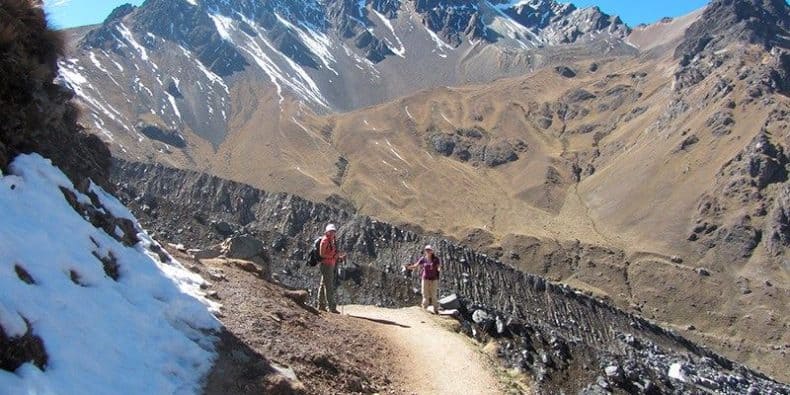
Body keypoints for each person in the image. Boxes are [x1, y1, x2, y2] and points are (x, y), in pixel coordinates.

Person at [405, 245, 441, 314]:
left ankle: (435, 309)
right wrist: (408, 267)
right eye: (426, 250)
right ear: (425, 251)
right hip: (425, 279)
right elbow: (416, 266)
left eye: (429, 250)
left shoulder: (436, 259)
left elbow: (438, 267)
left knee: (433, 295)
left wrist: (439, 269)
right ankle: (424, 309)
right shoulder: (423, 259)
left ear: (432, 251)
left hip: (434, 279)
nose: (428, 251)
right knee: (425, 294)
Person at [317, 223, 345, 313]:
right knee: (329, 286)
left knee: (323, 284)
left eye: (334, 231)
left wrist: (339, 257)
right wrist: (334, 255)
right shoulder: (325, 241)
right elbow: (322, 254)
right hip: (326, 265)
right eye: (331, 231)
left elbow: (332, 254)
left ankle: (321, 305)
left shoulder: (332, 240)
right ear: (327, 232)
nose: (333, 233)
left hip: (330, 265)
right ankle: (331, 307)